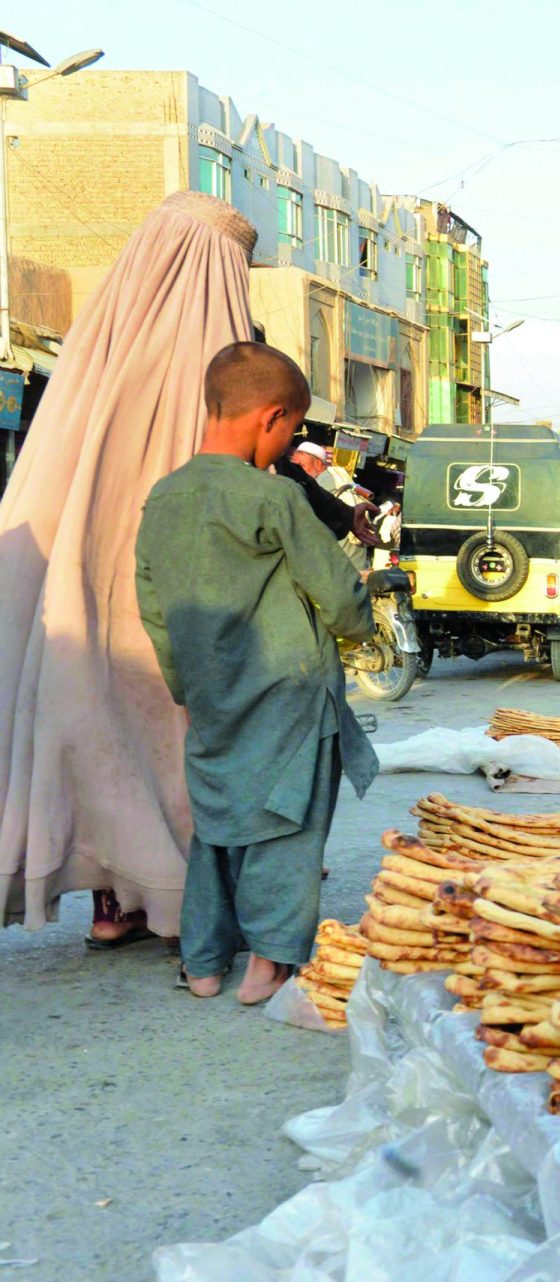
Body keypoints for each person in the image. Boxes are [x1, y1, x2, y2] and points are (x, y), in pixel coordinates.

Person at [1, 190, 259, 949]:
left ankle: (111, 899)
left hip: (77, 579)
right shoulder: (214, 356)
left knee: (89, 718)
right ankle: (178, 900)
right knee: (169, 729)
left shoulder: (96, 344)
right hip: (167, 591)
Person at [134, 342, 377, 1003]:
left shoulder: (163, 497)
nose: (289, 441)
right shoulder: (274, 500)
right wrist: (362, 624)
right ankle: (269, 962)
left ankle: (206, 963)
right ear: (272, 418)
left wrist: (187, 686)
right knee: (290, 824)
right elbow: (337, 595)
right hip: (291, 691)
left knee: (217, 826)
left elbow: (153, 605)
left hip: (210, 695)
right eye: (293, 429)